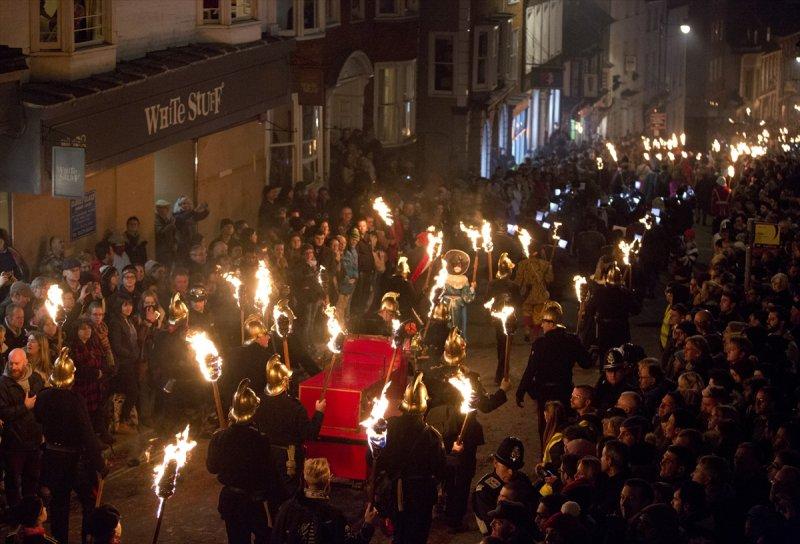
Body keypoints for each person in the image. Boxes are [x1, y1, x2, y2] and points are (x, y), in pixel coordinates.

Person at [34, 348, 107, 544]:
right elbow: (87, 434)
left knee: (59, 506)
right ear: (71, 377)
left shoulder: (43, 396)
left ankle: (60, 541)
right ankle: (87, 539)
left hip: (51, 458)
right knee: (89, 501)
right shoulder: (75, 401)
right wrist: (100, 464)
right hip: (73, 462)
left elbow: (38, 418)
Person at [207, 379, 286, 544]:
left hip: (232, 502)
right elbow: (269, 473)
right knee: (264, 538)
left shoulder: (219, 437)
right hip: (252, 502)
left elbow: (212, 467)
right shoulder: (259, 440)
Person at [373, 373, 446, 544]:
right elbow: (441, 471)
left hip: (394, 495)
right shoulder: (432, 436)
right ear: (424, 406)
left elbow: (374, 459)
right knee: (417, 537)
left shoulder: (387, 427)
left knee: (399, 535)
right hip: (421, 498)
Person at [516, 304, 591, 447]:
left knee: (546, 428)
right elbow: (586, 363)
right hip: (565, 391)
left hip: (546, 394)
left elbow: (530, 370)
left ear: (552, 323)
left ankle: (547, 457)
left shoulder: (540, 344)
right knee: (565, 428)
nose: (542, 324)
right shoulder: (572, 340)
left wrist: (521, 391)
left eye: (544, 321)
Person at [253, 355, 325, 495]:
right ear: (285, 382)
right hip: (289, 459)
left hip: (267, 456)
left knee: (273, 492)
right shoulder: (294, 408)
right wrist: (319, 413)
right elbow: (310, 434)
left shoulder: (259, 403)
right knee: (290, 494)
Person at [272, 458, 377, 543]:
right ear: (328, 484)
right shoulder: (333, 517)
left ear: (304, 481)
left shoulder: (286, 510)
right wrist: (367, 524)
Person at [0, 348, 44, 507]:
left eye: (17, 364)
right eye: (11, 363)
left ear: (25, 362)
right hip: (14, 442)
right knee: (12, 481)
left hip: (33, 439)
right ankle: (15, 516)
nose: (13, 367)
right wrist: (24, 407)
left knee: (31, 480)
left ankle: (30, 515)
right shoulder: (3, 384)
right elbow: (3, 412)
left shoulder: (36, 379)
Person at [472, 436, 533, 535]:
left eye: (515, 468)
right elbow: (493, 525)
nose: (511, 472)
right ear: (495, 463)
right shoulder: (485, 490)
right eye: (507, 467)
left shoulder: (522, 479)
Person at [486, 252, 521, 385]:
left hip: (498, 318)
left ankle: (502, 370)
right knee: (505, 345)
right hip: (508, 319)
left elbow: (486, 300)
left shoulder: (492, 284)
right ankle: (501, 373)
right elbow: (518, 303)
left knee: (501, 344)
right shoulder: (513, 286)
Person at [514, 240, 553, 340]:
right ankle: (536, 336)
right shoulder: (546, 264)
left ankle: (527, 330)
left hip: (527, 293)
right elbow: (549, 280)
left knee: (527, 311)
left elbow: (518, 280)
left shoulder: (522, 264)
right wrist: (549, 269)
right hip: (540, 293)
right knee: (538, 315)